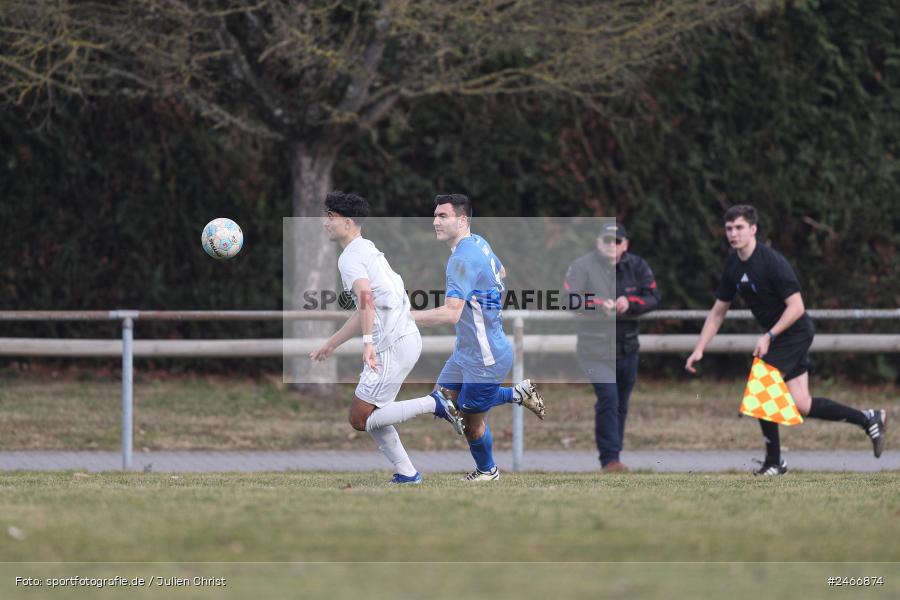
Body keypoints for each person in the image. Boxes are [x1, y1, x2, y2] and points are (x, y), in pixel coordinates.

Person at [685, 204, 887, 475]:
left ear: (753, 230)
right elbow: (718, 312)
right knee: (801, 403)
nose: (733, 234)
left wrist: (769, 336)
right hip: (781, 336)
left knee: (761, 387)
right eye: (729, 228)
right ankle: (867, 418)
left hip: (795, 332)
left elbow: (797, 307)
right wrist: (699, 348)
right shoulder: (733, 265)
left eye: (739, 228)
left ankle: (774, 463)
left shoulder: (772, 262)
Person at [309, 191, 464, 485]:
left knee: (359, 417)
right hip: (403, 338)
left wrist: (368, 343)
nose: (325, 223)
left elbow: (365, 298)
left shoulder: (350, 258)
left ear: (348, 222)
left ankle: (436, 403)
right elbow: (364, 307)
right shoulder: (366, 249)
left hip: (391, 344)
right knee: (375, 413)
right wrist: (331, 344)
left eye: (330, 217)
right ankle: (407, 473)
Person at [411, 193, 545, 481]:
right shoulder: (478, 243)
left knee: (470, 420)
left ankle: (488, 471)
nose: (435, 221)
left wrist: (405, 316)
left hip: (487, 355)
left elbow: (451, 314)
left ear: (462, 220)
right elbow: (502, 270)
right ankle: (516, 395)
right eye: (434, 215)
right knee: (443, 401)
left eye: (442, 216)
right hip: (467, 351)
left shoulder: (462, 259)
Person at [564, 222, 661, 473]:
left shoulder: (638, 266)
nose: (611, 245)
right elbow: (567, 298)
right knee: (608, 398)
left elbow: (653, 297)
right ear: (598, 243)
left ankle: (613, 455)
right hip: (593, 349)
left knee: (620, 404)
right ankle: (610, 461)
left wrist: (630, 302)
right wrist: (597, 304)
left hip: (628, 348)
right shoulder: (582, 266)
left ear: (625, 245)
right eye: (606, 240)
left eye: (616, 241)